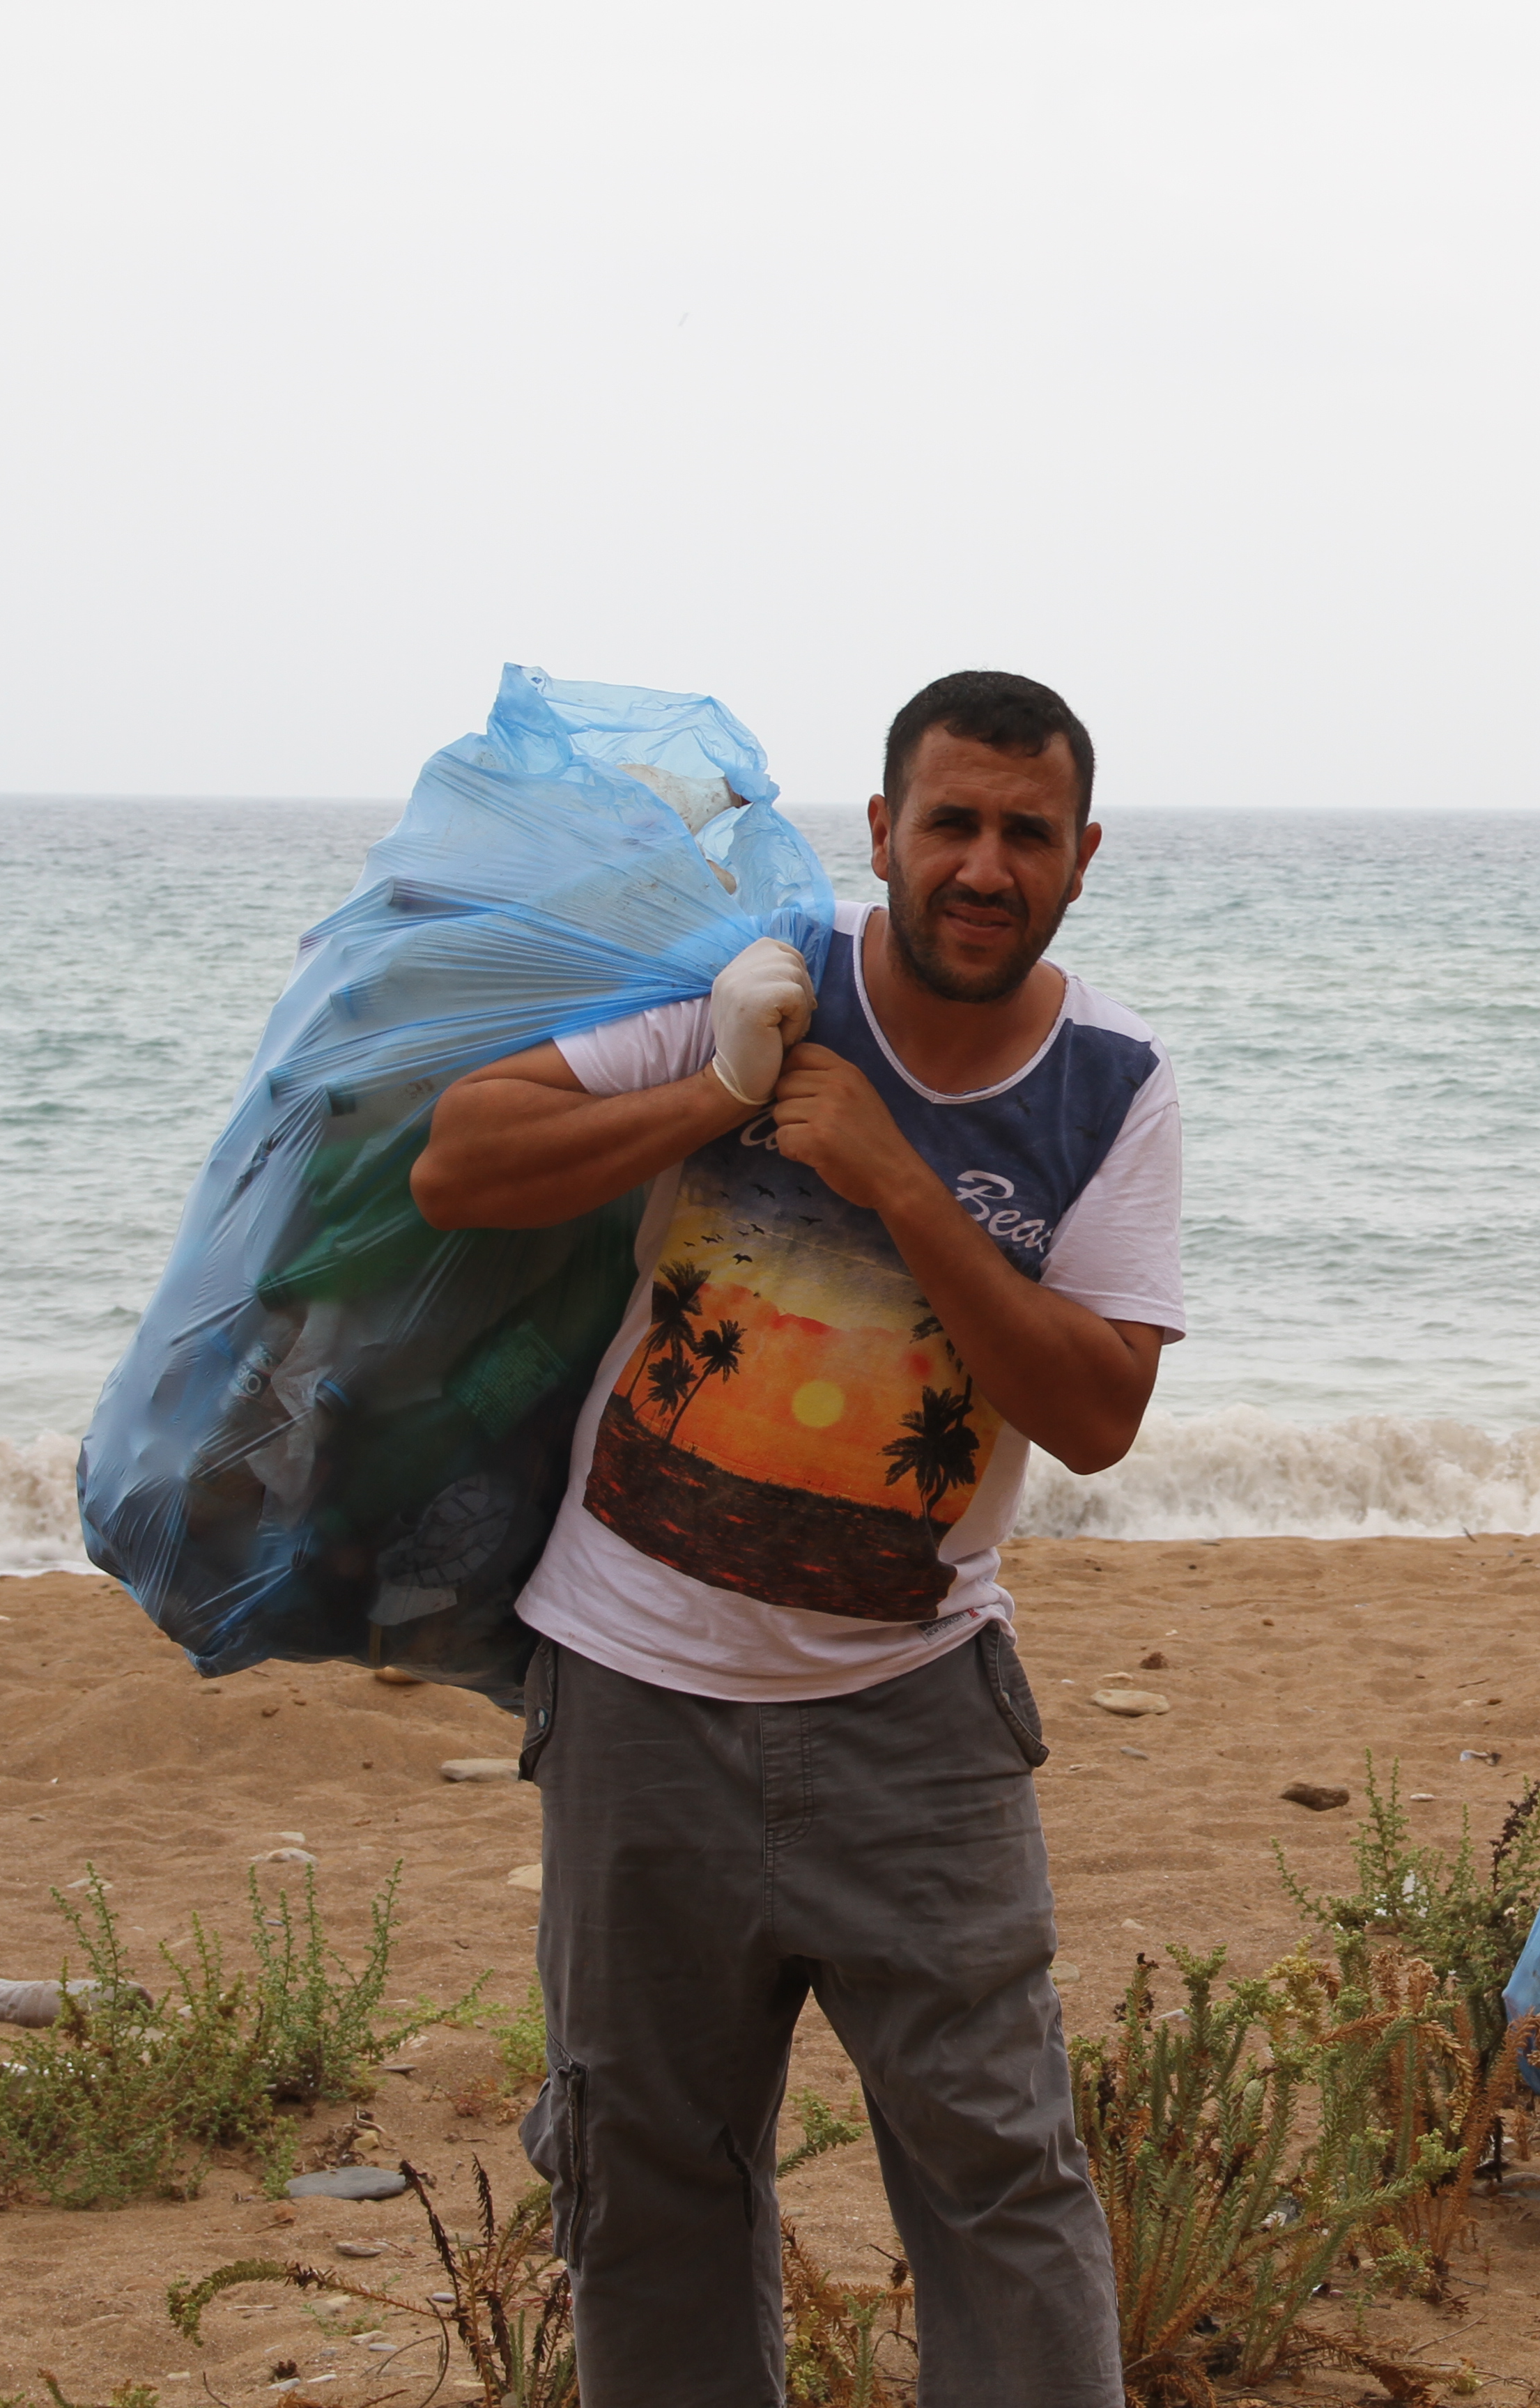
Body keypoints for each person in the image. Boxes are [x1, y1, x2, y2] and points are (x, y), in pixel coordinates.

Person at [408, 670, 1180, 2408]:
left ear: (1082, 859)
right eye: (954, 823)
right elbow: (462, 1162)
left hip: (918, 1715)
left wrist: (902, 1179)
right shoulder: (767, 983)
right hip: (633, 1694)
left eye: (1027, 834)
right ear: (884, 832)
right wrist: (716, 1091)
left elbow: (1100, 1414)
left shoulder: (1116, 1083)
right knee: (650, 2181)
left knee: (1004, 2177)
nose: (986, 865)